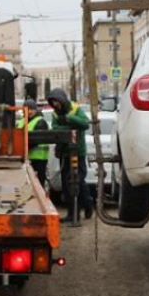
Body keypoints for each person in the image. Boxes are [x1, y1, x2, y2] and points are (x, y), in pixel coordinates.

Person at [47, 88, 94, 222]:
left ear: (62, 99)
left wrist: (69, 118)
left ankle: (88, 204)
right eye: (53, 102)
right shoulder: (55, 114)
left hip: (78, 152)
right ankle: (72, 213)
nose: (55, 105)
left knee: (78, 180)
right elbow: (55, 129)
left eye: (56, 101)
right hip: (64, 152)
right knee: (67, 184)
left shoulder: (75, 109)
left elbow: (85, 124)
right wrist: (70, 129)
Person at [17, 98, 50, 186]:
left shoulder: (40, 122)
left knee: (38, 183)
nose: (29, 111)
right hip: (25, 158)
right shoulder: (21, 121)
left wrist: (22, 147)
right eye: (27, 109)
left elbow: (36, 140)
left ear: (35, 110)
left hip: (39, 159)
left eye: (31, 109)